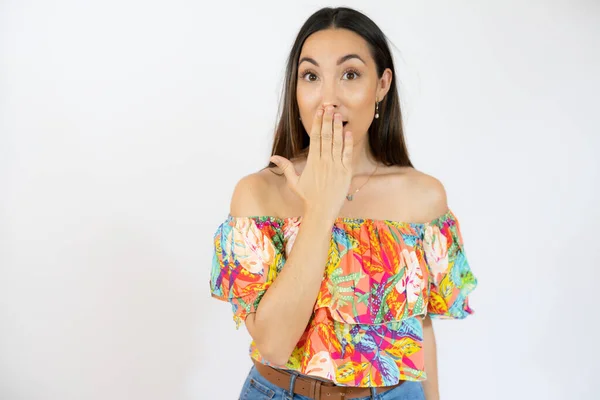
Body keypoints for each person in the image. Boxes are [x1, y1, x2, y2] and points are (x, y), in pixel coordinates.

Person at [209, 6, 477, 400]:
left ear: (382, 84)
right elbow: (274, 345)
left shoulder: (423, 197)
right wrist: (321, 208)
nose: (327, 98)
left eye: (350, 74)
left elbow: (418, 329)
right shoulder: (258, 194)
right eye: (311, 76)